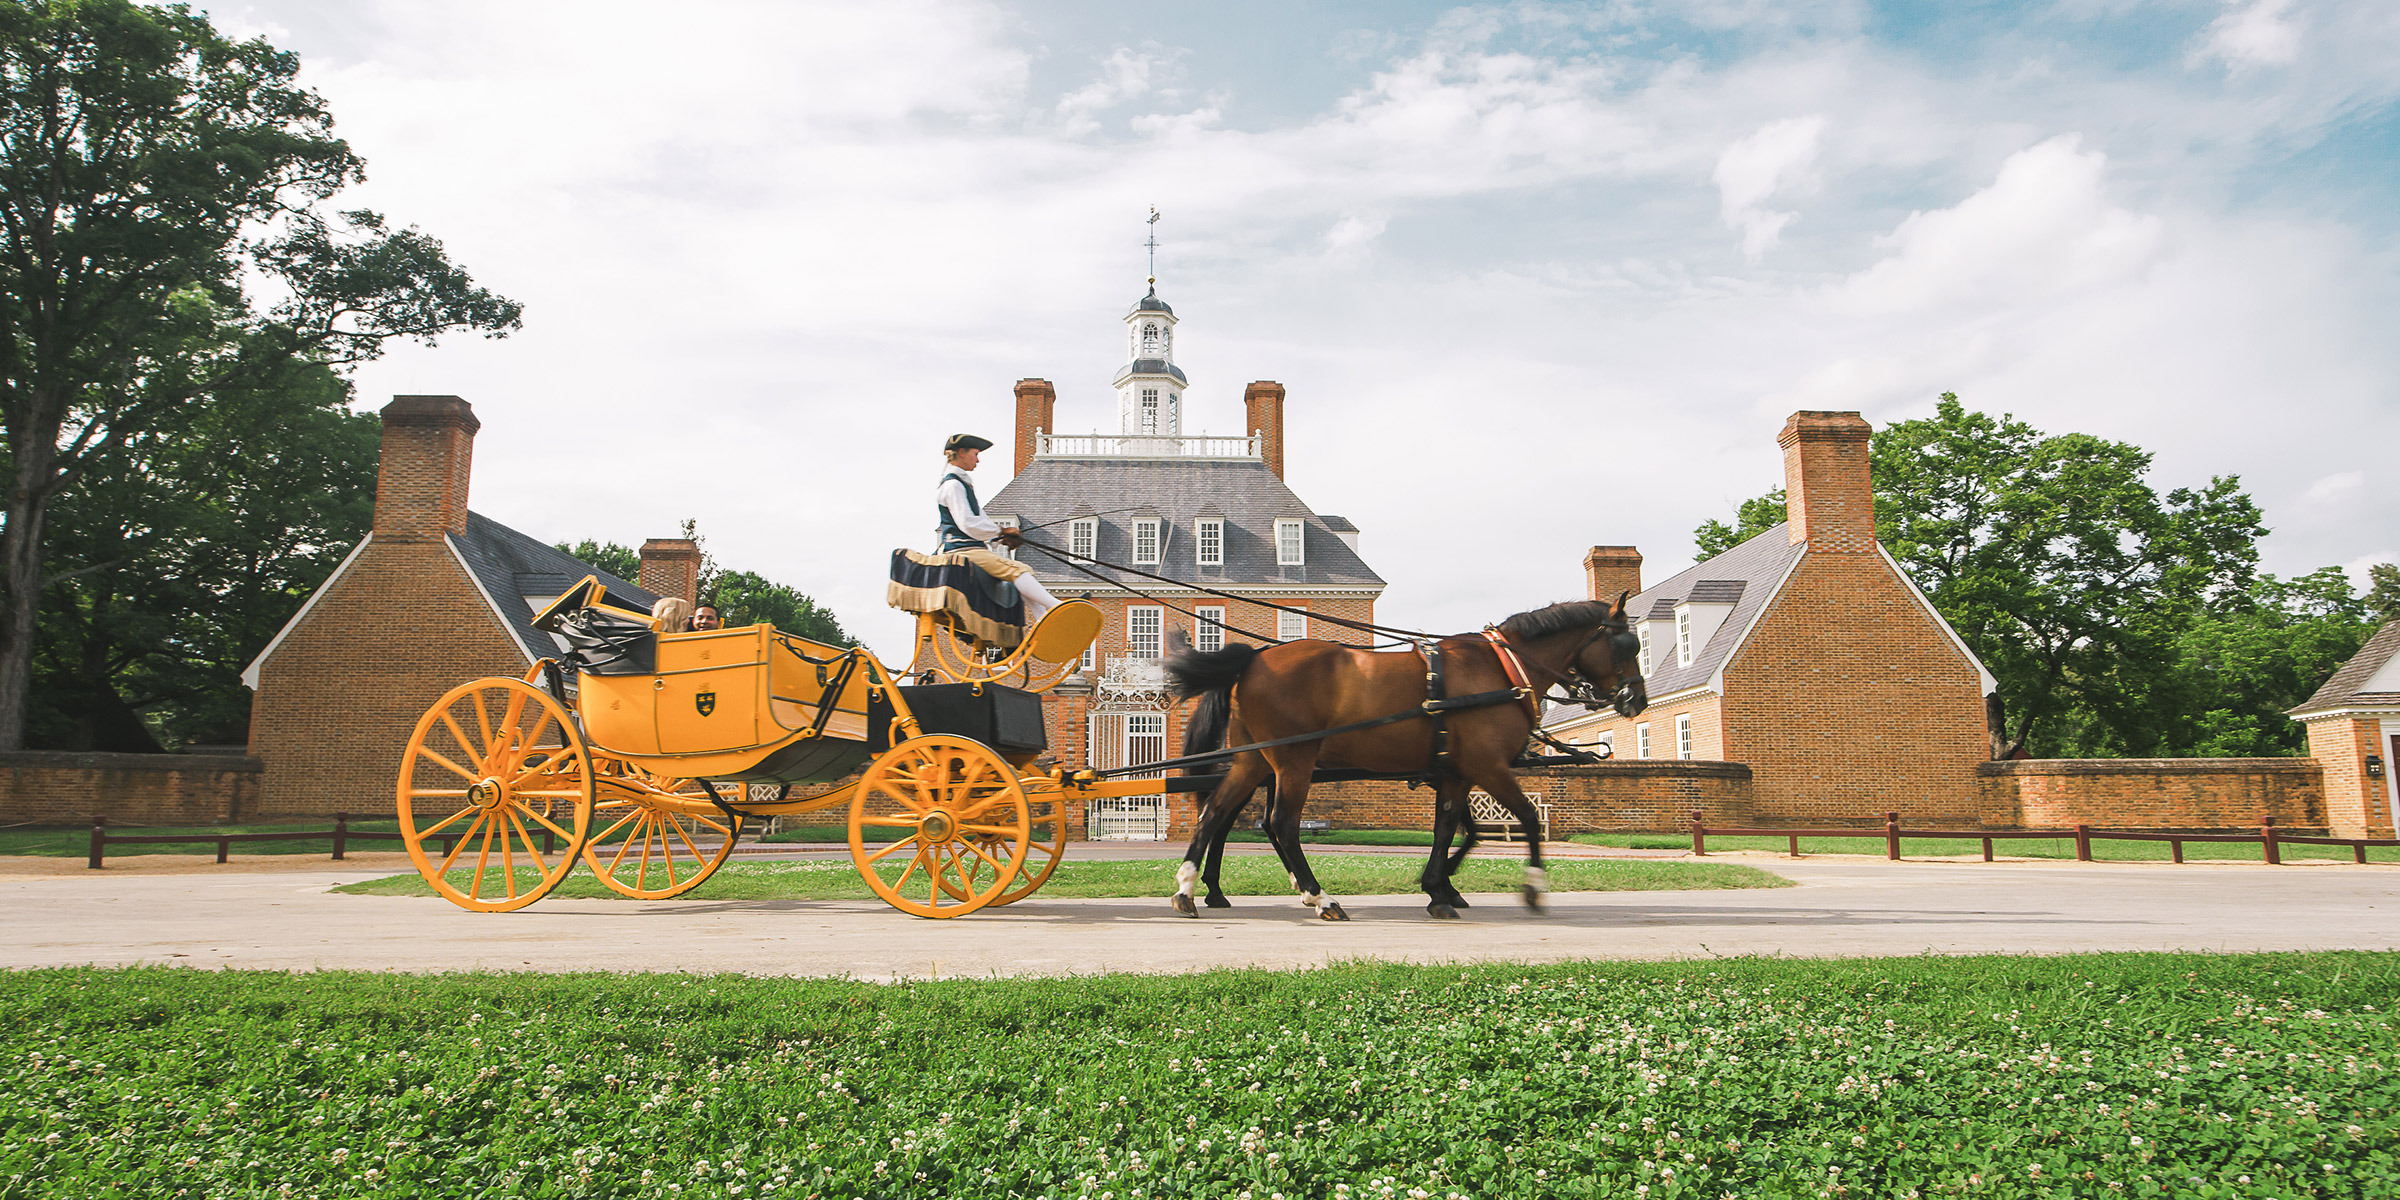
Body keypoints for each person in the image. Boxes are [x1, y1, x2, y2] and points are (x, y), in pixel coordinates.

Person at [936, 433, 1058, 625]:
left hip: (970, 548)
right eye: (975, 454)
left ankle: (1042, 615)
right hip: (963, 550)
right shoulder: (953, 485)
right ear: (961, 453)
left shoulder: (961, 484)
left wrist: (1000, 537)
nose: (978, 459)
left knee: (1014, 576)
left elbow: (980, 519)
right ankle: (1055, 607)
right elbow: (967, 523)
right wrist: (1001, 532)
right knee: (1019, 569)